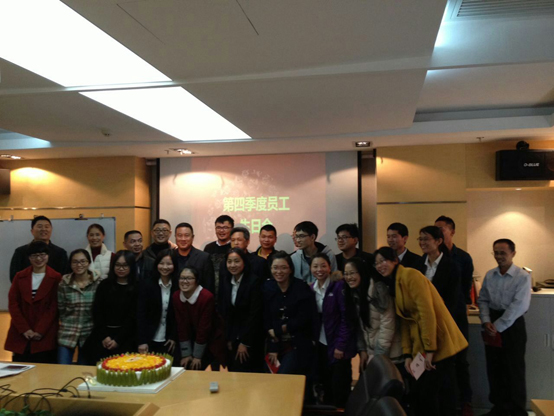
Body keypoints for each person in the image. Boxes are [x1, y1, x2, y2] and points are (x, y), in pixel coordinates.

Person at [373, 246, 468, 416]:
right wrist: (408, 354)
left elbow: (427, 314)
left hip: (438, 343)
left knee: (430, 395)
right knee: (422, 394)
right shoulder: (394, 284)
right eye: (377, 263)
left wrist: (430, 350)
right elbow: (404, 322)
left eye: (383, 261)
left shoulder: (411, 275)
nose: (380, 266)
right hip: (422, 347)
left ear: (395, 260)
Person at [478, 239, 531, 416]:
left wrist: (497, 326)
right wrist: (486, 321)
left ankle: (516, 411)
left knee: (513, 369)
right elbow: (483, 299)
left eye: (503, 253)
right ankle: (499, 408)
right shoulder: (490, 275)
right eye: (496, 253)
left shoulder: (522, 277)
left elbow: (519, 306)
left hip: (512, 325)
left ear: (513, 254)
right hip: (491, 323)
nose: (499, 256)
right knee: (494, 368)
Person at [434, 217, 475, 416]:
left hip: (457, 314)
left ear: (452, 231)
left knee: (460, 360)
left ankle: (465, 401)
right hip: (437, 316)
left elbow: (466, 286)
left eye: (441, 229)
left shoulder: (463, 258)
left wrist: (464, 305)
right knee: (439, 360)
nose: (438, 232)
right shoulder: (432, 257)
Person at [310, 253, 356, 408]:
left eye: (323, 265)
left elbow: (346, 318)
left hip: (338, 344)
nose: (319, 269)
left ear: (329, 267)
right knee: (326, 383)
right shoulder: (311, 289)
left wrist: (341, 345)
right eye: (315, 266)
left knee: (340, 386)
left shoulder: (339, 286)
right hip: (322, 343)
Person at [264, 251, 318, 381]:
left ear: (290, 269)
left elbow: (304, 318)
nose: (279, 272)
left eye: (283, 268)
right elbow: (265, 316)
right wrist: (273, 344)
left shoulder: (301, 287)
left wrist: (279, 329)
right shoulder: (267, 287)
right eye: (275, 268)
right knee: (270, 379)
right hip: (274, 343)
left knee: (284, 378)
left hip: (297, 343)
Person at [5, 241, 62, 363]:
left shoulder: (56, 278)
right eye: (34, 255)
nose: (39, 259)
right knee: (20, 370)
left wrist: (40, 330)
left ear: (48, 256)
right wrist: (25, 329)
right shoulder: (19, 276)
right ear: (29, 258)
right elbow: (13, 304)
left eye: (42, 255)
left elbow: (54, 307)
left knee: (46, 370)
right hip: (21, 333)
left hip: (46, 334)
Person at [342, 257, 402, 374]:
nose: (349, 277)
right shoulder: (354, 294)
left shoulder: (377, 291)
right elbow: (359, 326)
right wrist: (363, 350)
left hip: (390, 353)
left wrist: (379, 356)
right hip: (372, 353)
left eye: (352, 273)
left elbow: (388, 325)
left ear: (362, 272)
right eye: (346, 274)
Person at [85, 250, 138, 363]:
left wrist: (118, 340)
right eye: (117, 265)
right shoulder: (104, 285)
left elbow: (133, 316)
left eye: (125, 265)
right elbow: (97, 311)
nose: (121, 268)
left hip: (126, 338)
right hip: (102, 336)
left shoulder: (137, 287)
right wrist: (104, 336)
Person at [218, 248, 264, 372]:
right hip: (232, 336)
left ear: (244, 262)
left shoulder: (253, 281)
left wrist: (244, 342)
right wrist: (228, 338)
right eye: (229, 261)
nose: (233, 265)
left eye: (236, 261)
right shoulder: (226, 280)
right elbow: (225, 311)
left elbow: (254, 315)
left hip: (250, 338)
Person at [173, 266, 226, 370]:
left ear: (197, 281)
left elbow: (204, 328)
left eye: (189, 278)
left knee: (200, 367)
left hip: (211, 340)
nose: (185, 281)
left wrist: (197, 356)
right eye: (182, 278)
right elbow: (181, 325)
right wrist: (186, 353)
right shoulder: (176, 296)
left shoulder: (206, 297)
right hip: (191, 338)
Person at [57, 249, 100, 365]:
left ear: (88, 263)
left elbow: (100, 310)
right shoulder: (64, 283)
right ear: (70, 264)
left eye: (82, 261)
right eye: (75, 262)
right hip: (67, 332)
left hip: (89, 333)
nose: (79, 265)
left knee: (84, 371)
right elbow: (61, 309)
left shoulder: (98, 283)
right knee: (62, 369)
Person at [137, 249, 179, 357]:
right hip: (149, 338)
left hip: (170, 340)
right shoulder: (147, 284)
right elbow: (141, 314)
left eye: (169, 264)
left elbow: (180, 315)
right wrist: (142, 340)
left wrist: (174, 336)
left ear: (174, 265)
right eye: (161, 263)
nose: (165, 267)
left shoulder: (179, 285)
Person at [418, 226, 462, 315]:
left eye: (426, 239)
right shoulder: (418, 264)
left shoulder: (452, 266)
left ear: (439, 241)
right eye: (420, 239)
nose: (422, 243)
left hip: (443, 313)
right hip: (422, 313)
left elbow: (453, 297)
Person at [10, 216, 68, 282]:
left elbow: (64, 277)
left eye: (47, 227)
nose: (43, 229)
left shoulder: (60, 253)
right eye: (40, 226)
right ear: (32, 231)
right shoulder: (20, 252)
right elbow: (14, 277)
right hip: (27, 287)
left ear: (51, 230)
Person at [174, 223, 216, 294]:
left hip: (198, 299)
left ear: (192, 237)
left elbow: (209, 286)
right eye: (180, 235)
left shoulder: (204, 257)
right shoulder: (170, 256)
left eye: (186, 235)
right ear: (175, 237)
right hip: (174, 299)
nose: (183, 239)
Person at [204, 215, 234, 298]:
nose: (221, 230)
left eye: (225, 228)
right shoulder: (208, 247)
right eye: (218, 227)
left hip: (229, 290)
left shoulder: (234, 248)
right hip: (211, 290)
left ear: (232, 229)